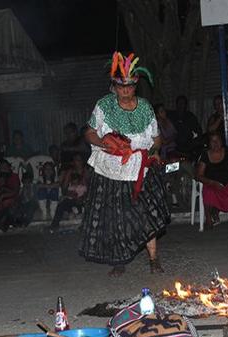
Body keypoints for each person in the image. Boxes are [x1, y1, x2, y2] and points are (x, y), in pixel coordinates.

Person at [80, 51, 170, 276]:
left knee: (148, 213)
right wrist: (104, 142)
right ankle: (118, 260)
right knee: (115, 218)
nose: (125, 91)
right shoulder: (104, 106)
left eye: (129, 86)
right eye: (121, 87)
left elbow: (156, 138)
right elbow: (89, 132)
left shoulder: (146, 107)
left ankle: (153, 259)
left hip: (140, 169)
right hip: (111, 171)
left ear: (136, 84)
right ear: (114, 86)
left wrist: (155, 150)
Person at [196, 131, 228, 229]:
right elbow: (199, 175)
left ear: (221, 141)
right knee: (208, 192)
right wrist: (212, 182)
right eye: (213, 141)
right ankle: (208, 219)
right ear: (209, 143)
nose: (215, 143)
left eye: (218, 140)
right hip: (212, 184)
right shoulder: (205, 155)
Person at [49, 153, 89, 232]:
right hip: (72, 197)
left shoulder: (86, 172)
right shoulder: (70, 172)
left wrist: (83, 196)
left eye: (79, 160)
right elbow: (64, 188)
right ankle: (54, 226)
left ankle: (86, 225)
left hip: (84, 198)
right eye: (75, 160)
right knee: (62, 204)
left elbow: (90, 188)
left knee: (90, 204)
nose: (77, 162)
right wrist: (70, 194)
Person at [0, 159, 21, 232]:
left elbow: (15, 192)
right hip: (1, 202)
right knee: (2, 206)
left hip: (13, 201)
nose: (4, 168)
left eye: (6, 166)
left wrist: (3, 195)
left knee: (7, 204)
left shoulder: (14, 176)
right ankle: (1, 222)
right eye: (2, 167)